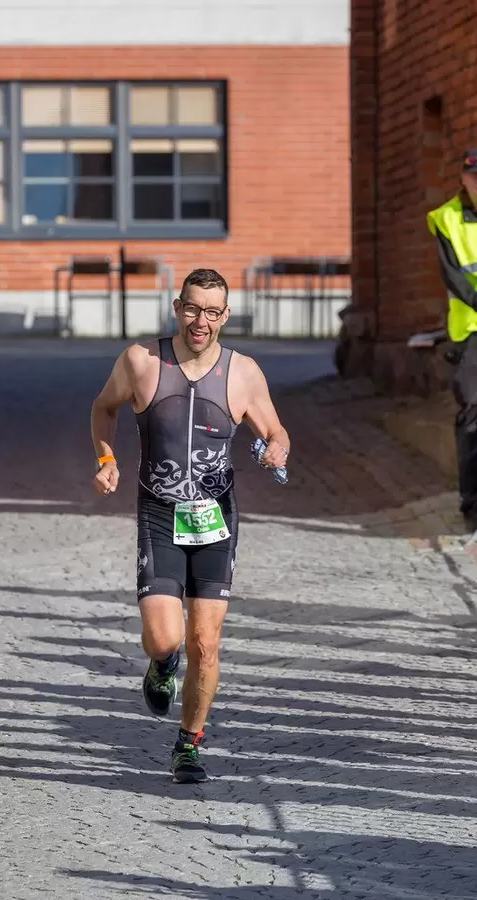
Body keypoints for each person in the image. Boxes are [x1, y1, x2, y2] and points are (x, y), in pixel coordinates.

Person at [90, 268, 290, 783]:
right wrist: (107, 457)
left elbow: (275, 428)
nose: (201, 321)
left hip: (215, 519)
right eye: (193, 308)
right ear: (178, 307)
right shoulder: (141, 361)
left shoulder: (242, 372)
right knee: (164, 639)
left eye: (213, 311)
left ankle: (189, 744)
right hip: (160, 512)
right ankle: (161, 665)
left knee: (207, 642)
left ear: (225, 316)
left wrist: (276, 447)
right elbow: (103, 408)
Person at [427, 147, 477, 532]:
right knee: (475, 416)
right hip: (474, 331)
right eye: (475, 173)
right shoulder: (447, 219)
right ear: (463, 178)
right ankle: (476, 505)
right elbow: (451, 274)